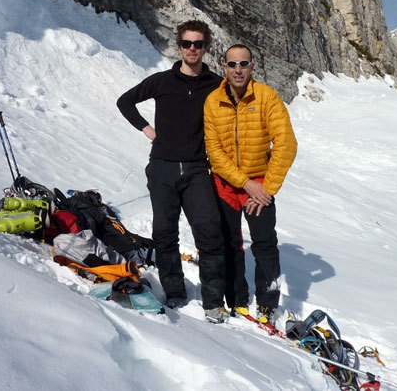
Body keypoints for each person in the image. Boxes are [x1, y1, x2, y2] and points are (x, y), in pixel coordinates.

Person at [116, 20, 229, 323]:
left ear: (206, 48)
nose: (193, 49)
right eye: (187, 44)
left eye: (199, 44)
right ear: (179, 47)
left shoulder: (216, 84)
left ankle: (214, 301)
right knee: (164, 233)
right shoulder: (162, 81)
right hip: (162, 167)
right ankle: (175, 292)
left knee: (208, 230)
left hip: (196, 168)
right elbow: (124, 101)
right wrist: (146, 128)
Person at [203, 44, 297, 324]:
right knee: (230, 242)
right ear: (224, 67)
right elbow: (214, 152)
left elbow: (286, 144)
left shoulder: (267, 97)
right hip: (227, 184)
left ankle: (268, 303)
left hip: (260, 185)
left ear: (252, 66)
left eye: (244, 63)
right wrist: (245, 184)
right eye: (232, 64)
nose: (238, 69)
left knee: (265, 243)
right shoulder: (212, 101)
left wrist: (266, 189)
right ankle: (236, 298)